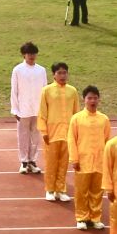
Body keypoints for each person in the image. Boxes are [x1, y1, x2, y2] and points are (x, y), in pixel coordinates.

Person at [67, 87, 112, 230]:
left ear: (99, 99)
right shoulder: (76, 118)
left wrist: (107, 160)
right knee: (81, 191)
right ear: (84, 100)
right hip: (83, 160)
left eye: (95, 98)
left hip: (99, 160)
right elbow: (71, 139)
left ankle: (95, 217)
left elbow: (107, 140)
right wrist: (74, 159)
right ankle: (82, 217)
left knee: (97, 191)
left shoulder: (104, 119)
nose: (92, 101)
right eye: (89, 98)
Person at [36, 65, 77, 204]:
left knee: (64, 163)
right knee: (51, 163)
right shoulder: (47, 90)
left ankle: (61, 190)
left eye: (65, 73)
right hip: (52, 133)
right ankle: (50, 190)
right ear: (54, 75)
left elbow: (76, 113)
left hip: (67, 133)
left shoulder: (72, 91)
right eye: (59, 73)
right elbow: (42, 112)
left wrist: (76, 132)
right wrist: (44, 131)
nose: (62, 76)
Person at [8, 44, 48, 176]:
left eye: (33, 53)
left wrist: (45, 109)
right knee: (23, 136)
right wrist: (15, 109)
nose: (31, 56)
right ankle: (24, 161)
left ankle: (32, 161)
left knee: (35, 136)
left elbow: (45, 90)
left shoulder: (41, 70)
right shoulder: (17, 70)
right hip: (23, 109)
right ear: (24, 55)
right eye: (29, 53)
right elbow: (14, 90)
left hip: (37, 109)